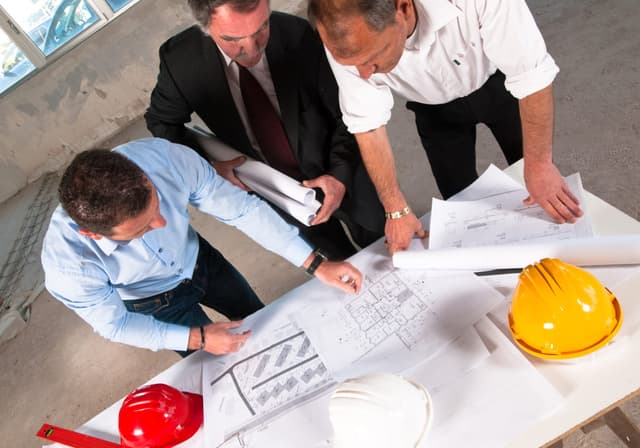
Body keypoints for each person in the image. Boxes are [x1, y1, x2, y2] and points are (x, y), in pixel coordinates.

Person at [307, 0, 584, 253]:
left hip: (499, 86)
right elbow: (367, 125)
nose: (364, 74)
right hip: (434, 111)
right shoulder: (345, 37)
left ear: (402, 8)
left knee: (539, 180)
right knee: (459, 201)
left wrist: (539, 164)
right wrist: (395, 209)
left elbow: (531, 76)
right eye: (353, 65)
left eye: (373, 59)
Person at [41, 138, 362, 356]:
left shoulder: (165, 159)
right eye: (141, 229)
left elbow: (243, 210)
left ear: (143, 177)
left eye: (158, 207)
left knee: (259, 320)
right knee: (217, 360)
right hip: (153, 303)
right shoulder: (69, 268)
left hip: (200, 261)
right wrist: (199, 338)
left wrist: (316, 264)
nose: (162, 224)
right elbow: (117, 324)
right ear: (94, 234)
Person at [144, 0, 385, 261]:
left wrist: (340, 175)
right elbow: (162, 121)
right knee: (339, 260)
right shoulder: (179, 61)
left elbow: (347, 111)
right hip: (279, 191)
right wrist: (207, 166)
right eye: (232, 38)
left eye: (261, 28)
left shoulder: (298, 34)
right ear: (205, 27)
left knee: (383, 244)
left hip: (342, 169)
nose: (252, 48)